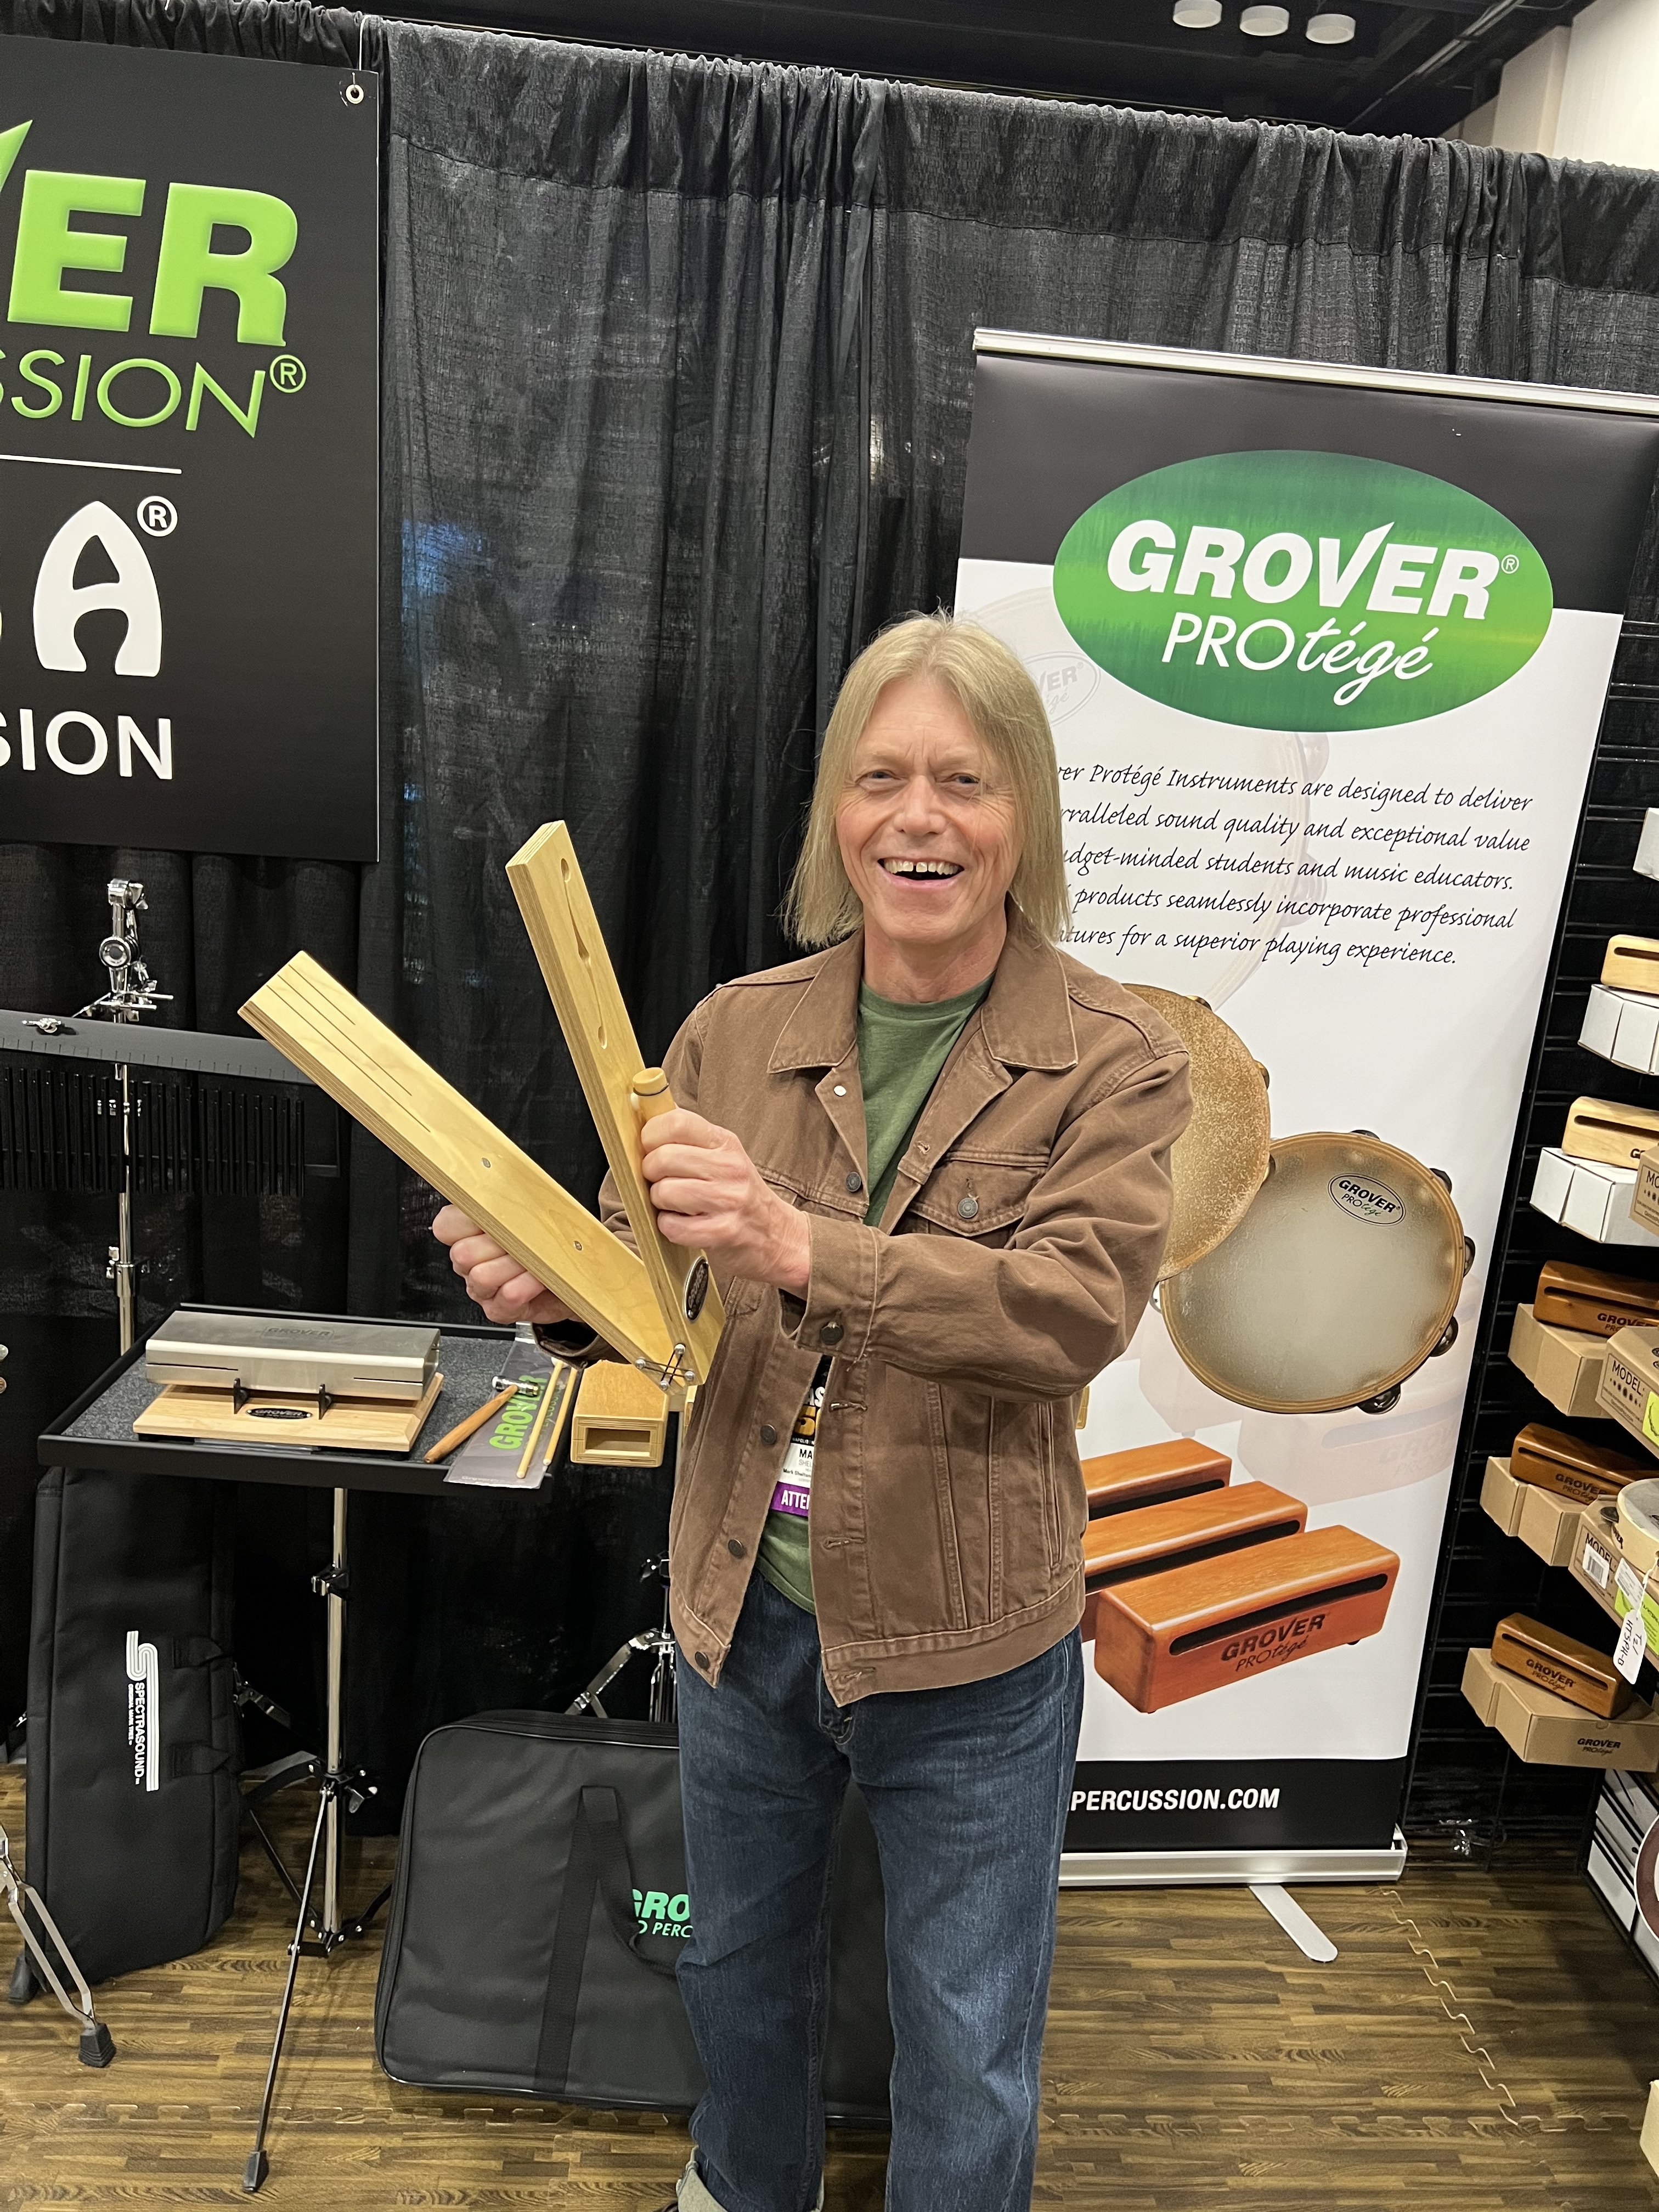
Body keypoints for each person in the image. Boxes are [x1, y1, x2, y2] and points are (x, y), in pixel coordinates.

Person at [434, 612, 1191, 2212]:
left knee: (968, 2036)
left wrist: (800, 1246)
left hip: (969, 1638)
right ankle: (739, 2187)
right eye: (881, 778)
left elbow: (1072, 1314)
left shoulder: (1115, 1060)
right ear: (837, 815)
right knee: (736, 1964)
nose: (920, 818)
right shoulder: (737, 1029)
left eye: (965, 781)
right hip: (744, 1611)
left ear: (1024, 815)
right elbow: (655, 1286)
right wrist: (554, 1286)